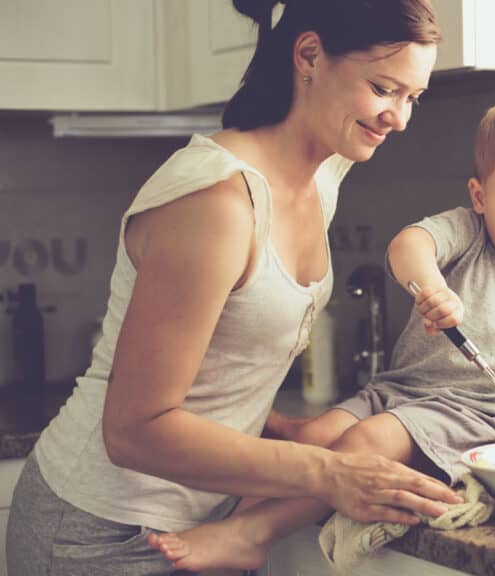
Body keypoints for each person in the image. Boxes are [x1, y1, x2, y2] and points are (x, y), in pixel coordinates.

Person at [6, 1, 462, 575]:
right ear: (310, 56)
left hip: (206, 520)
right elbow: (132, 430)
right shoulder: (216, 202)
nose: (398, 116)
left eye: (412, 97)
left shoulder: (326, 172)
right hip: (101, 532)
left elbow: (217, 357)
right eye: (383, 88)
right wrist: (329, 473)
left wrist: (277, 428)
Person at [145, 97, 495, 572]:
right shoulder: (467, 232)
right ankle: (235, 524)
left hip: (471, 418)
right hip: (397, 391)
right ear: (480, 198)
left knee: (363, 444)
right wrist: (432, 285)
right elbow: (410, 245)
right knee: (315, 438)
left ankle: (253, 533)